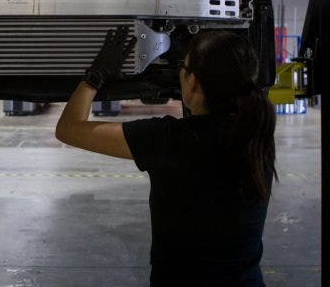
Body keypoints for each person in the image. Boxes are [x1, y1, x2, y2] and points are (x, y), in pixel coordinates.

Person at [56, 27, 277, 286]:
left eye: (182, 69)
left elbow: (68, 129)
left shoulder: (170, 140)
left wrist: (95, 77)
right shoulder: (257, 136)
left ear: (192, 82)